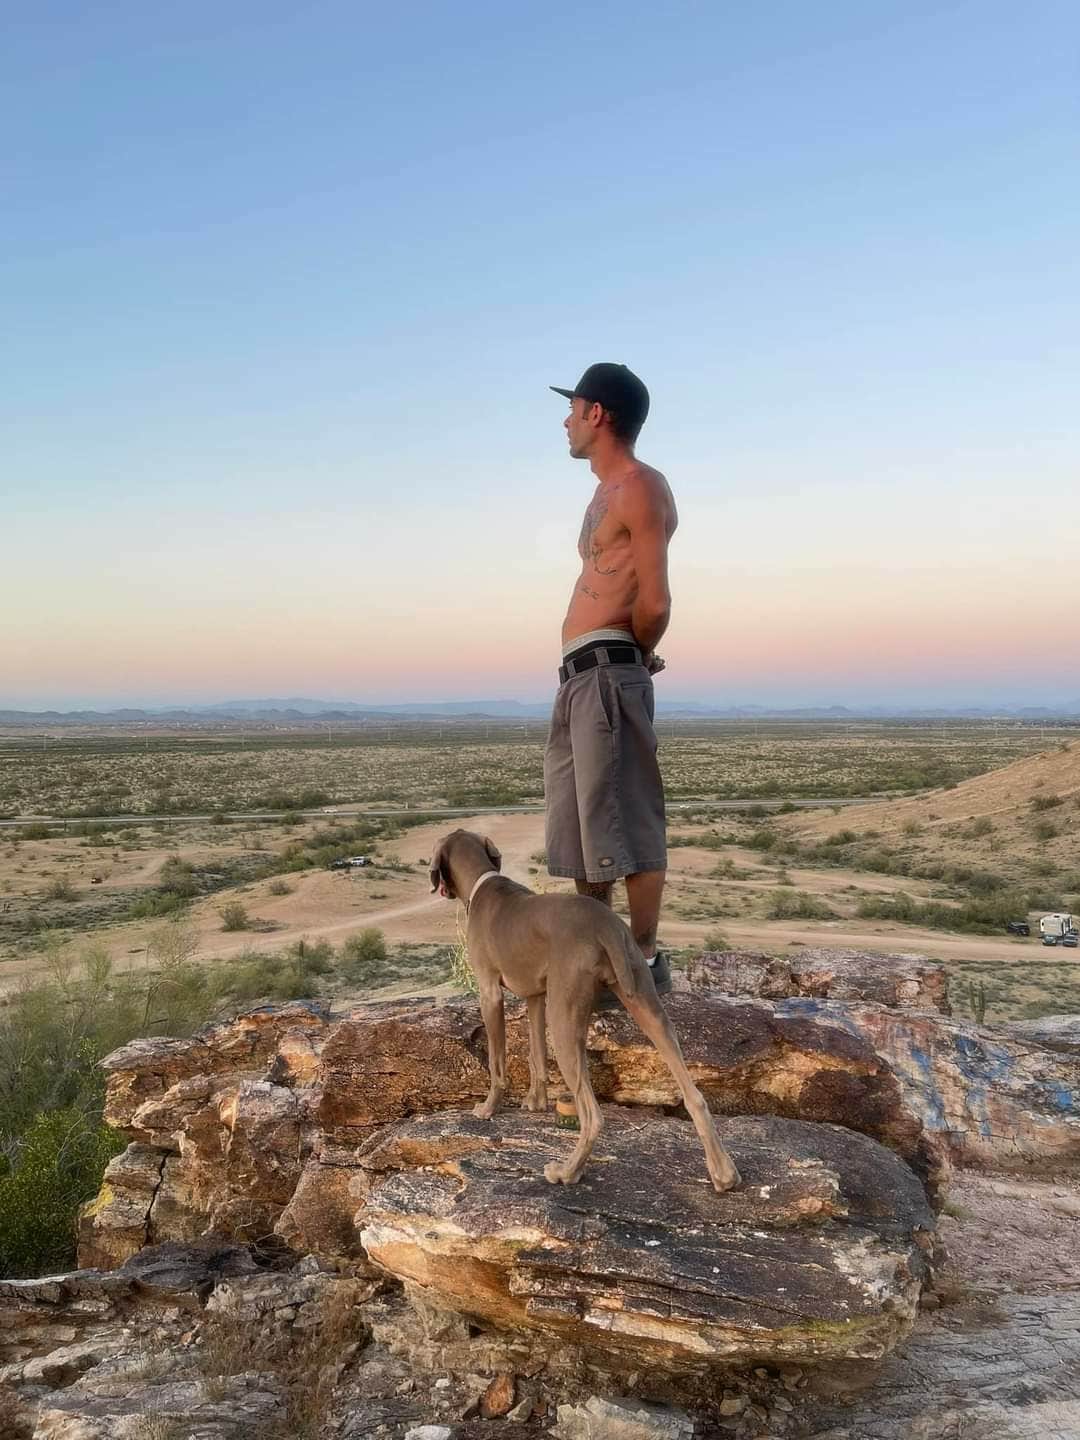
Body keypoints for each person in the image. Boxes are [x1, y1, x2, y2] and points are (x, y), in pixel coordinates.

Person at [544, 362, 677, 1007]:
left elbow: (655, 597)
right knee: (583, 827)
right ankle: (596, 953)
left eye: (572, 407)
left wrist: (637, 656)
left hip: (609, 671)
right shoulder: (602, 493)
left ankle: (645, 960)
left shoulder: (640, 488)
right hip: (579, 676)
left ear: (598, 413)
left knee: (628, 816)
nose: (565, 419)